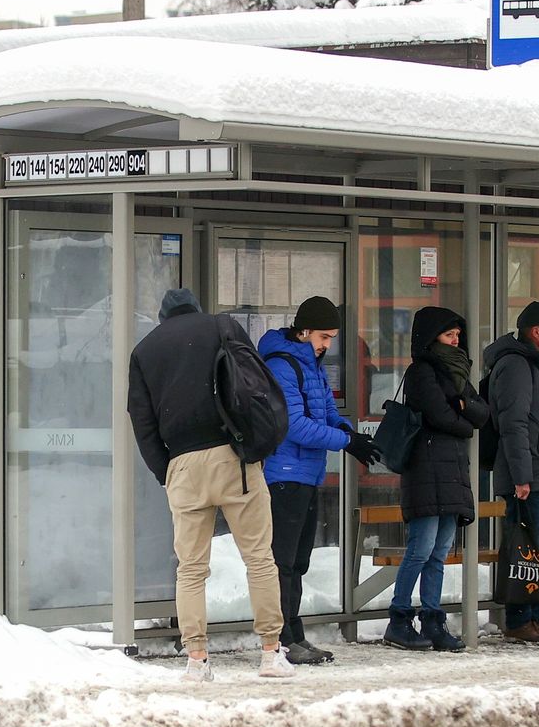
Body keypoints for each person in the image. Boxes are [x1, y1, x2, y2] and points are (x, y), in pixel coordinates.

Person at [127, 288, 293, 681]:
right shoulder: (222, 327)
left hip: (183, 465)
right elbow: (255, 385)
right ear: (195, 309)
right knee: (259, 559)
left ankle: (196, 659)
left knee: (190, 569)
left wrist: (164, 470)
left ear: (164, 316)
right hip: (233, 457)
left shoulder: (145, 350)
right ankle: (271, 652)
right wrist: (257, 443)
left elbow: (142, 420)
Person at [259, 296, 381, 664]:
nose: (328, 345)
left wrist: (348, 432)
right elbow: (294, 425)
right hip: (283, 475)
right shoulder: (282, 365)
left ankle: (295, 633)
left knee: (298, 562)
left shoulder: (311, 363)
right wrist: (346, 441)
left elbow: (326, 410)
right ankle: (281, 638)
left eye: (331, 338)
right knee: (282, 561)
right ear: (304, 329)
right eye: (324, 336)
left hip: (306, 474)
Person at [383, 307, 490, 651]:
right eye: (449, 335)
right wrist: (463, 420)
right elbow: (442, 415)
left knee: (440, 550)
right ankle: (399, 619)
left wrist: (464, 412)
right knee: (421, 547)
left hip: (452, 469)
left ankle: (432, 618)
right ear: (432, 338)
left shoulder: (459, 371)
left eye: (458, 335)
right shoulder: (422, 371)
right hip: (426, 469)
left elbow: (482, 412)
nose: (455, 340)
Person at [484, 300, 539, 644]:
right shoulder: (516, 365)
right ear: (535, 332)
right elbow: (513, 423)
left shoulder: (535, 364)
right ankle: (519, 618)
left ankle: (534, 612)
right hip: (529, 478)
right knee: (527, 550)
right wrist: (522, 475)